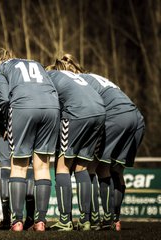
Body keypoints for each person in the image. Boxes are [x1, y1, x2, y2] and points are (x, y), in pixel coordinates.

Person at [55, 54, 145, 231]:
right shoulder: (96, 77)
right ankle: (113, 219)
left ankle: (92, 218)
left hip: (115, 117)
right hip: (136, 117)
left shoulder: (78, 81)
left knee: (90, 167)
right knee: (115, 170)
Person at [0, 49, 60, 232]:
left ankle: (17, 221)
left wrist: (6, 124)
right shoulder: (36, 63)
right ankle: (40, 221)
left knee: (19, 165)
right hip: (52, 107)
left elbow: (4, 100)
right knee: (43, 166)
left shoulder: (1, 69)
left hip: (23, 106)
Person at [46, 62, 106, 231]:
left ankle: (65, 220)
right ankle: (86, 221)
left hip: (77, 113)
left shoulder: (49, 76)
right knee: (81, 167)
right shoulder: (73, 77)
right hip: (100, 113)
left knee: (63, 166)